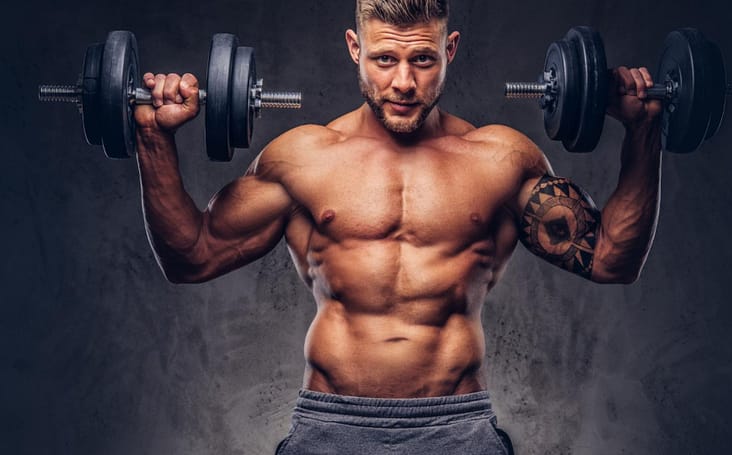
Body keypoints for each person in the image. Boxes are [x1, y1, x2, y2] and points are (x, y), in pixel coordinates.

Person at [133, 0, 662, 453]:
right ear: (354, 48)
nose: (404, 82)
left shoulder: (500, 160)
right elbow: (193, 256)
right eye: (384, 58)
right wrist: (154, 139)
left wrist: (643, 131)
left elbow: (610, 258)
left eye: (423, 60)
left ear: (450, 50)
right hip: (330, 428)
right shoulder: (303, 160)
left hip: (457, 429)